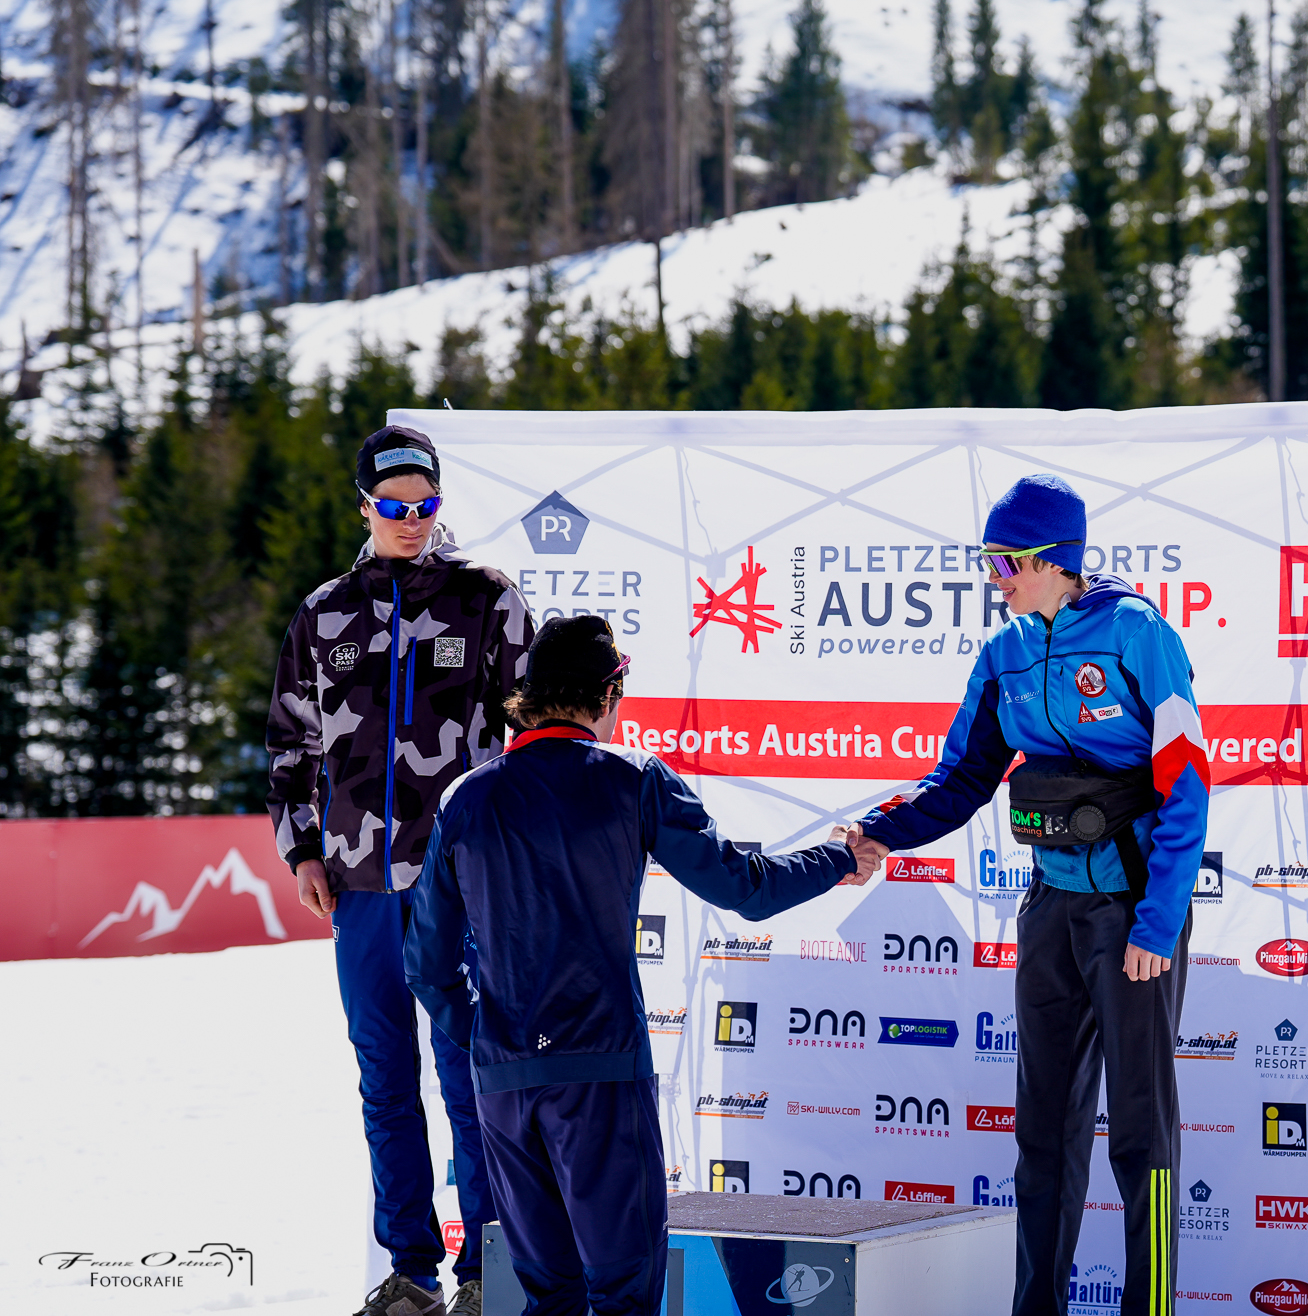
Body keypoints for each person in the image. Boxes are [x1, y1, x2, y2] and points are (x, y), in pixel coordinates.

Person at [404, 615, 876, 1316]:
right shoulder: (634, 777)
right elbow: (744, 888)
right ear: (607, 693)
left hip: (504, 1081)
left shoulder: (465, 796)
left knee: (548, 1298)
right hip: (600, 1075)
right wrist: (837, 858)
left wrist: (486, 1035)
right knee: (624, 1295)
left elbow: (426, 963)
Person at [847, 474, 1211, 1316]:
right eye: (988, 561)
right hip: (1051, 907)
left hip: (1133, 912)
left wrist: (1157, 923)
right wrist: (877, 831)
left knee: (1142, 1136)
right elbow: (960, 778)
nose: (994, 578)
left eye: (1005, 562)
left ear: (1054, 559)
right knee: (1043, 1132)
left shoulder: (1137, 633)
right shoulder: (1003, 653)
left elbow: (1187, 784)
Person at [266, 425, 534, 1316]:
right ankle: (411, 1269)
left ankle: (486, 1268)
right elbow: (290, 746)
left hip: (461, 886)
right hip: (359, 887)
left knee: (469, 1075)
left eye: (426, 504)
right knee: (384, 1078)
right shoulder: (323, 612)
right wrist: (303, 848)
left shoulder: (486, 596)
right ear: (364, 506)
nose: (411, 519)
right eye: (393, 505)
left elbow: (534, 731)